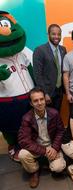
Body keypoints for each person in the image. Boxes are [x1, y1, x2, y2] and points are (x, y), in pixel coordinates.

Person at [0, 11, 34, 161]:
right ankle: (13, 146)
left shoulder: (23, 53)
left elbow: (31, 69)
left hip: (29, 97)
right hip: (8, 101)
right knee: (11, 127)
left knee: (29, 125)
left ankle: (29, 144)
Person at [18, 87, 66, 188]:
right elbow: (24, 140)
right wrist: (44, 151)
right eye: (35, 101)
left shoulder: (54, 113)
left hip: (52, 145)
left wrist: (55, 148)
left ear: (45, 99)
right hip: (37, 147)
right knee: (22, 154)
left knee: (58, 168)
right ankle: (34, 171)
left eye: (41, 99)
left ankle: (47, 163)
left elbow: (60, 131)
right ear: (31, 103)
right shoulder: (26, 118)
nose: (39, 103)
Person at [33, 24, 67, 111]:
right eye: (53, 34)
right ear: (48, 35)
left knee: (56, 115)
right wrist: (44, 93)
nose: (57, 36)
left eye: (59, 34)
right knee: (47, 118)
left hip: (59, 91)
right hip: (47, 92)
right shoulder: (40, 50)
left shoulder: (63, 49)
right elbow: (37, 74)